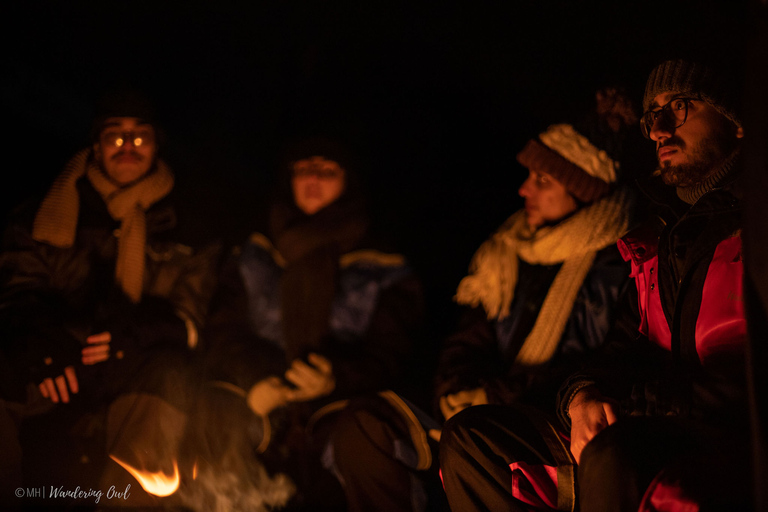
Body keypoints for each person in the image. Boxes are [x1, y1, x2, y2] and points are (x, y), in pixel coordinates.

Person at [439, 58, 752, 511]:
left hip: (727, 438)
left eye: (681, 106)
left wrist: (644, 404)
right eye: (652, 115)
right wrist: (581, 394)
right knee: (473, 439)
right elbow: (620, 349)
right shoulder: (656, 237)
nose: (660, 128)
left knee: (613, 454)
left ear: (736, 120)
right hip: (654, 423)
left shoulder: (745, 227)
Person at [328, 123, 634, 512]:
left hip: (548, 412)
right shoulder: (508, 251)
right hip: (485, 400)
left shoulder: (617, 263)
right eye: (528, 177)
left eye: (542, 180)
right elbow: (469, 338)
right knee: (365, 423)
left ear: (582, 190)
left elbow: (605, 361)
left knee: (472, 439)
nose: (525, 190)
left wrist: (495, 396)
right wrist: (456, 388)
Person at [0, 90, 219, 506]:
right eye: (115, 136)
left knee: (171, 373)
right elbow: (17, 291)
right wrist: (43, 344)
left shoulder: (188, 228)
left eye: (140, 136)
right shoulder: (45, 212)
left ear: (157, 145)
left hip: (134, 366)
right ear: (95, 144)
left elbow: (191, 319)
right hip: (59, 364)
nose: (128, 147)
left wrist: (137, 334)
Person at [203, 136, 424, 511]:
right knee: (210, 416)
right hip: (262, 400)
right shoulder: (255, 252)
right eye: (303, 169)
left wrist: (335, 377)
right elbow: (225, 330)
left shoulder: (382, 265)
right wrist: (254, 381)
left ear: (348, 180)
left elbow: (395, 352)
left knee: (357, 448)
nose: (312, 180)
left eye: (326, 170)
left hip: (339, 410)